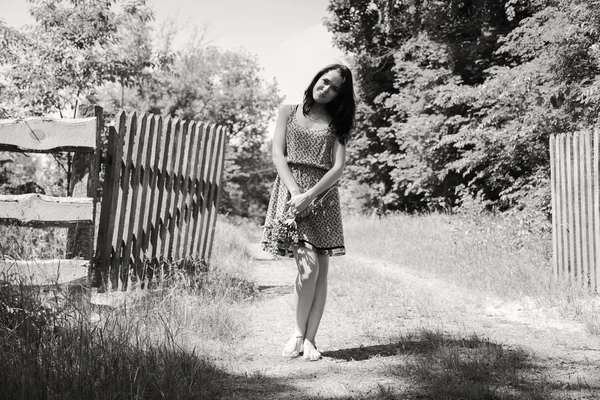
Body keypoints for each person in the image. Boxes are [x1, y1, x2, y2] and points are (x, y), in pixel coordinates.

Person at [262, 64, 356, 361]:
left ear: (339, 96)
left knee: (321, 274)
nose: (325, 88)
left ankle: (311, 340)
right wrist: (295, 194)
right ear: (316, 79)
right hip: (291, 194)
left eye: (334, 88)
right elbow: (278, 154)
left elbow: (338, 167)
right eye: (324, 81)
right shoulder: (287, 111)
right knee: (308, 268)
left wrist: (310, 195)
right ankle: (298, 333)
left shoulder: (337, 123)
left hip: (322, 199)